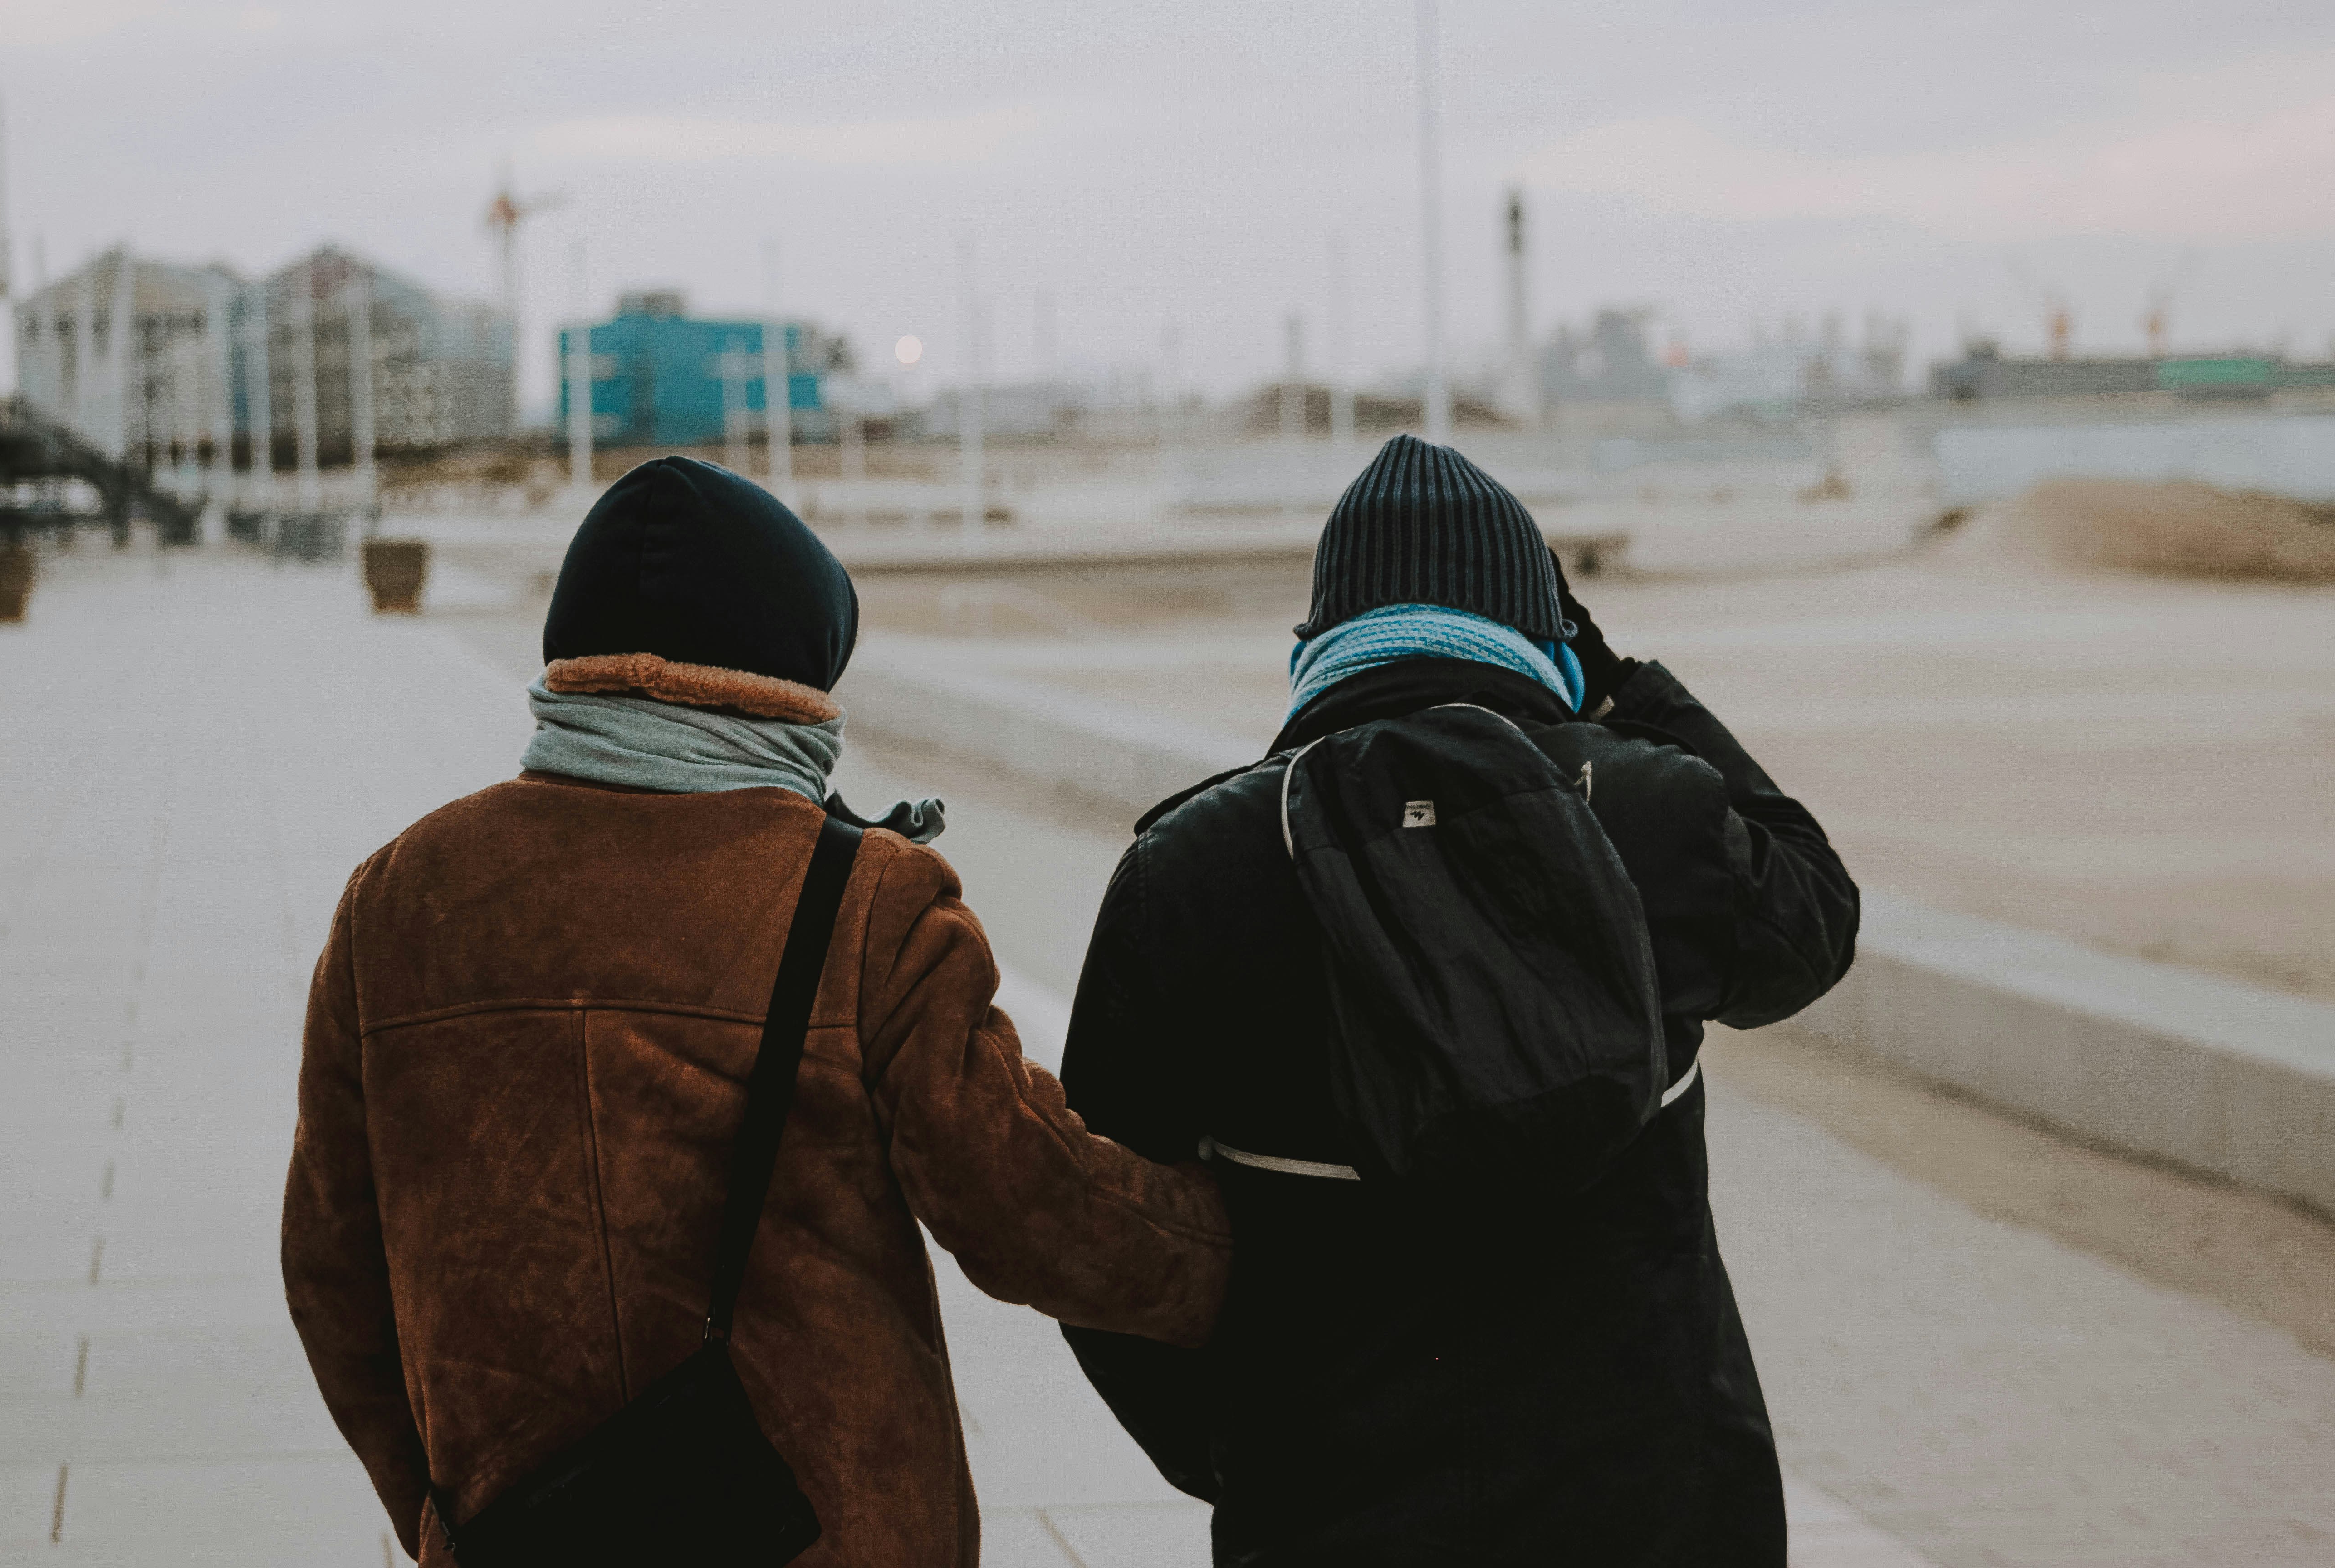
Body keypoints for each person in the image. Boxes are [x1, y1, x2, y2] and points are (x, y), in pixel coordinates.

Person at [282, 456, 1230, 1567]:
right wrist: (1253, 1249)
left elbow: (332, 1271)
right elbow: (1034, 1211)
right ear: (797, 676)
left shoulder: (400, 896)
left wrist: (447, 1520)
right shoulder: (864, 898)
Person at [1058, 434, 1860, 1566]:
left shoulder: (1189, 869)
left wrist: (1235, 1450)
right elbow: (1816, 916)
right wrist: (1627, 685)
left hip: (1331, 1511)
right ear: (1543, 638)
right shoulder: (1647, 813)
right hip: (1658, 1506)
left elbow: (1096, 1227)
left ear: (1314, 649)